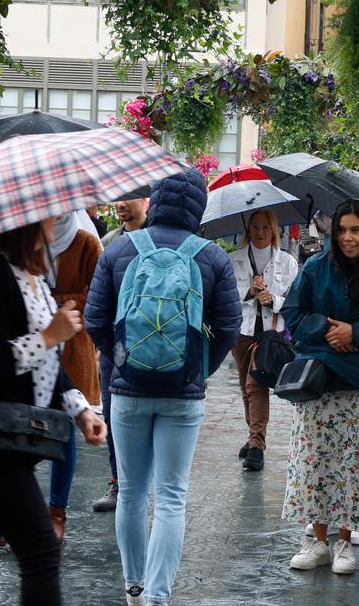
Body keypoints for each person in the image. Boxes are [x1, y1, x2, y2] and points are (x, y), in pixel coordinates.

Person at [85, 169, 242, 606]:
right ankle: (157, 596)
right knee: (172, 496)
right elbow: (229, 325)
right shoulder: (211, 257)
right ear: (198, 208)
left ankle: (133, 588)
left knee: (132, 493)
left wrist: (120, 359)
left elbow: (95, 320)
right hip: (183, 394)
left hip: (127, 390)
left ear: (154, 201)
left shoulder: (119, 249)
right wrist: (199, 369)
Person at [0, 218, 107, 606]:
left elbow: (48, 362)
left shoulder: (33, 276)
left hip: (10, 436)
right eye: (49, 209)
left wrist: (80, 410)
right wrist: (49, 336)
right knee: (42, 551)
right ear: (21, 218)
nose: (60, 215)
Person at [280, 199, 359, 575]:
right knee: (316, 464)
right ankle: (318, 540)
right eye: (342, 230)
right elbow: (293, 314)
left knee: (355, 467)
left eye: (356, 230)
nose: (348, 238)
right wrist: (327, 330)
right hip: (318, 382)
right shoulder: (316, 268)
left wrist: (357, 333)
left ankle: (345, 542)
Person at [44, 212, 103, 542]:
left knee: (65, 430)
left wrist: (56, 302)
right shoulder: (30, 242)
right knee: (29, 425)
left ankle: (57, 510)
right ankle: (12, 511)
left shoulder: (85, 242)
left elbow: (98, 295)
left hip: (73, 345)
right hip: (39, 341)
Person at [91, 196, 151, 513]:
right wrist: (106, 345)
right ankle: (118, 481)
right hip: (115, 346)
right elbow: (97, 302)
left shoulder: (159, 240)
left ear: (147, 201)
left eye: (130, 197)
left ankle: (141, 481)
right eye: (118, 197)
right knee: (114, 413)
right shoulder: (109, 243)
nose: (121, 204)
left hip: (154, 344)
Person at [228, 208, 299, 472]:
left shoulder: (288, 263)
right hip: (242, 333)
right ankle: (252, 436)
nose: (260, 233)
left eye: (265, 228)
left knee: (255, 384)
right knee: (246, 386)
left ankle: (257, 446)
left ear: (274, 230)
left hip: (271, 334)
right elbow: (226, 299)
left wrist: (274, 300)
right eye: (255, 228)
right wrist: (248, 291)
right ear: (248, 230)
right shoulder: (234, 260)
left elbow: (295, 301)